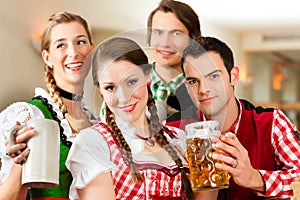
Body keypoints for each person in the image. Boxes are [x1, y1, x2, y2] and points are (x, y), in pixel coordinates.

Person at [66, 37, 217, 200]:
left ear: (147, 77)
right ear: (101, 91)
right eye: (111, 88)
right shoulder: (93, 143)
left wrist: (212, 167)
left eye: (131, 82)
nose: (123, 97)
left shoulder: (177, 139)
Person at [166, 36, 300, 199]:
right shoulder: (172, 131)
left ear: (233, 76)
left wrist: (254, 178)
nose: (203, 89)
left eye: (213, 76)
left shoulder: (271, 122)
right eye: (194, 81)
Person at [0, 11, 97, 199]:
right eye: (61, 45)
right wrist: (19, 163)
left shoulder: (96, 121)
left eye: (81, 42)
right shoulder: (29, 114)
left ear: (92, 51)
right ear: (47, 57)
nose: (74, 52)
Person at [147, 0, 201, 117]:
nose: (165, 43)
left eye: (176, 33)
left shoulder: (205, 90)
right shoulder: (125, 85)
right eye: (158, 32)